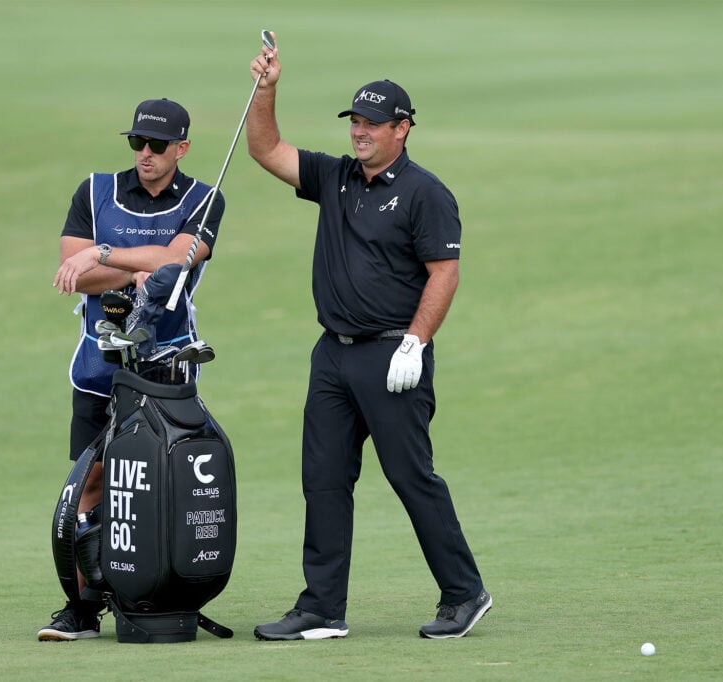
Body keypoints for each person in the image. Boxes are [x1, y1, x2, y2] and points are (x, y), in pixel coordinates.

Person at [246, 35, 490, 641]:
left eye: (372, 124)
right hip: (333, 354)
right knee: (324, 478)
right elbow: (265, 148)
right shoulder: (335, 177)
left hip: (392, 356)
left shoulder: (426, 193)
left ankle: (464, 593)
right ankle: (322, 607)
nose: (359, 132)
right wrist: (267, 89)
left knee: (411, 477)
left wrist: (416, 342)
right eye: (355, 120)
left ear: (402, 129)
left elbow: (445, 272)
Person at [38, 98, 225, 641]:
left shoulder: (205, 198)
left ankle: (154, 591)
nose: (145, 153)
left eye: (157, 145)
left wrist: (101, 255)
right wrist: (131, 262)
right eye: (137, 142)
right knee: (93, 483)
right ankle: (82, 608)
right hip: (98, 365)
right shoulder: (93, 190)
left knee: (164, 481)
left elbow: (180, 260)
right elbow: (71, 275)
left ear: (181, 149)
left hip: (170, 366)